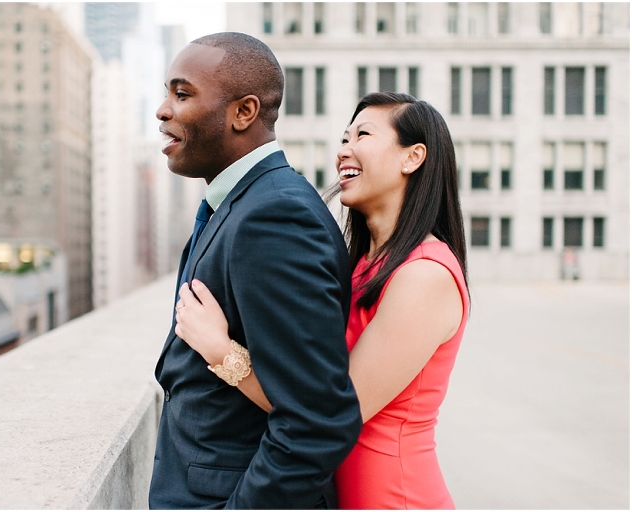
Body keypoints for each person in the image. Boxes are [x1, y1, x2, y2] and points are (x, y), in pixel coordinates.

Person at [175, 92, 470, 509]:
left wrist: (222, 353)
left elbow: (331, 412)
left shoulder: (425, 273)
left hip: (395, 500)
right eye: (344, 138)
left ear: (413, 157)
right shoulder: (363, 264)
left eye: (362, 135)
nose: (343, 151)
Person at [148, 32, 362, 509]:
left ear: (243, 112)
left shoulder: (274, 217)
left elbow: (315, 423)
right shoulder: (241, 205)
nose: (163, 110)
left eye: (182, 94)